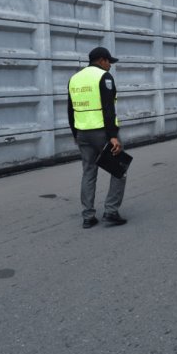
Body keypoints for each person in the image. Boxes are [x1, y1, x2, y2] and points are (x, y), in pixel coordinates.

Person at [67, 47, 128, 228]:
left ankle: (88, 216)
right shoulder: (104, 77)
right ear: (101, 60)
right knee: (119, 170)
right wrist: (113, 136)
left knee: (88, 172)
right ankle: (111, 211)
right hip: (102, 133)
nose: (110, 65)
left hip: (83, 133)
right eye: (109, 61)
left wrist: (75, 134)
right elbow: (108, 108)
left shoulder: (74, 79)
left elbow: (70, 109)